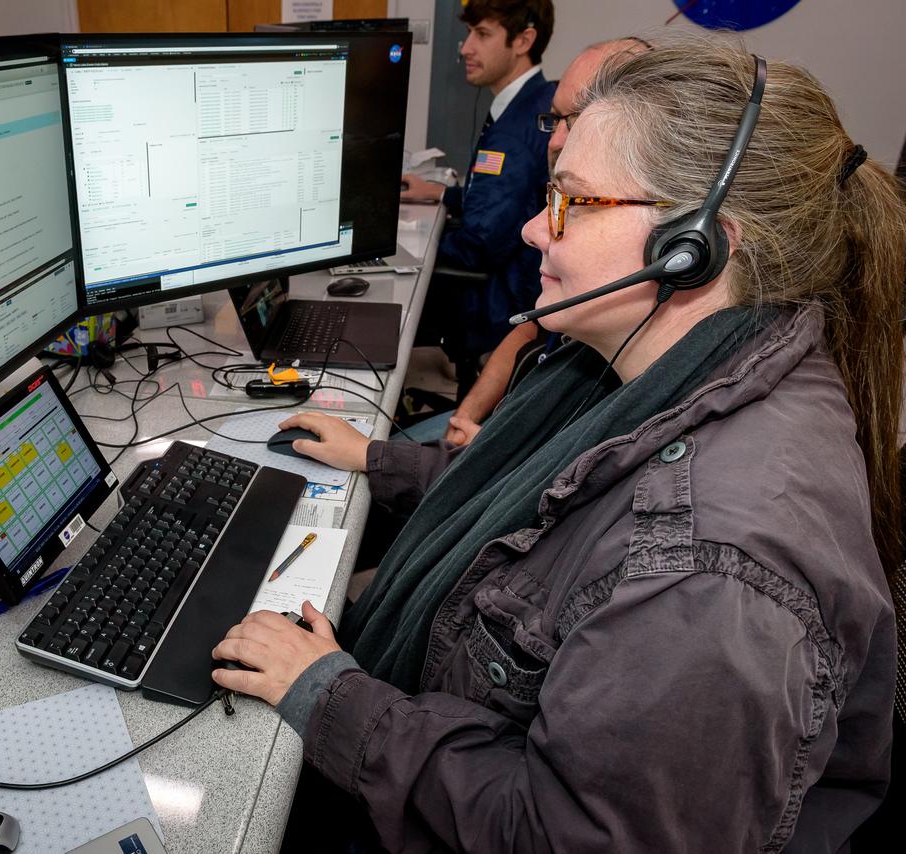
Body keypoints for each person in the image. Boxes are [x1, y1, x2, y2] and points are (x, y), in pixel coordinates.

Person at [214, 34, 902, 851]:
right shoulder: (646, 369)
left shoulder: (708, 578)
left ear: (697, 248)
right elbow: (534, 517)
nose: (537, 230)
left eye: (574, 202)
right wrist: (376, 458)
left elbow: (560, 834)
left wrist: (331, 699)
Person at [411, 37, 652, 449]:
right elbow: (529, 333)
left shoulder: (625, 325)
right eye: (555, 120)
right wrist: (467, 415)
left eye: (575, 120)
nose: (556, 140)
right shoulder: (572, 305)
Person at [403, 0, 556, 395]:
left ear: (524, 40)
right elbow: (511, 200)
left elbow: (480, 244)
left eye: (482, 34)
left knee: (389, 291)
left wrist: (408, 249)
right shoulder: (536, 104)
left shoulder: (513, 134)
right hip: (520, 284)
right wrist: (443, 194)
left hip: (497, 303)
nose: (465, 48)